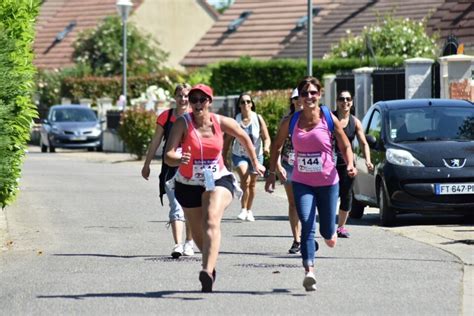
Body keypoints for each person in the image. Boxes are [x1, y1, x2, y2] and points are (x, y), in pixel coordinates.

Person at [164, 84, 265, 292]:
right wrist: (179, 158)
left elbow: (244, 137)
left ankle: (206, 270)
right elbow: (168, 155)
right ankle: (210, 264)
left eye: (202, 99)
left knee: (211, 219)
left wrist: (256, 162)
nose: (198, 104)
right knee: (200, 235)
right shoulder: (182, 123)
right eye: (194, 100)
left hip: (217, 178)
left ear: (210, 101)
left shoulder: (220, 122)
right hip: (188, 183)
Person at [265, 77, 356, 291]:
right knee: (306, 222)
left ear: (319, 94)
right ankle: (309, 270)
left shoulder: (328, 118)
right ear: (299, 97)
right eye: (304, 94)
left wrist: (351, 164)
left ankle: (330, 232)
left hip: (328, 182)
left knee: (325, 232)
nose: (308, 97)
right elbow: (276, 147)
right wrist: (273, 171)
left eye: (313, 93)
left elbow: (344, 144)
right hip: (302, 182)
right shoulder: (291, 121)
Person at [141, 83, 195, 259]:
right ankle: (178, 244)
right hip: (170, 168)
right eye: (180, 95)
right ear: (175, 97)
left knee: (191, 208)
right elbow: (155, 141)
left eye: (186, 95)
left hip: (192, 168)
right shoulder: (166, 116)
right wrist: (147, 164)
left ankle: (189, 242)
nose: (183, 99)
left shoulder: (195, 117)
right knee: (176, 206)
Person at [223, 93, 271, 222]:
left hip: (256, 155)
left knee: (253, 184)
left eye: (248, 102)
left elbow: (266, 138)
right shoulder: (235, 120)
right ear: (239, 105)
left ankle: (249, 210)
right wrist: (223, 157)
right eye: (243, 102)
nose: (246, 105)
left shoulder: (258, 118)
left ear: (251, 104)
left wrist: (266, 147)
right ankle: (243, 209)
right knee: (245, 178)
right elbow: (227, 140)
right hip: (239, 155)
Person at [333, 91, 374, 238]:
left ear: (352, 102)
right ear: (337, 102)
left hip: (347, 163)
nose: (345, 102)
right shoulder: (330, 118)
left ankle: (341, 227)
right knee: (330, 195)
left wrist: (368, 160)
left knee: (346, 195)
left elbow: (363, 142)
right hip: (329, 163)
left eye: (348, 99)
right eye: (342, 99)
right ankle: (328, 224)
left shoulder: (355, 122)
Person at [267, 88, 302, 253]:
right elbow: (277, 146)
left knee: (307, 203)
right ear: (292, 101)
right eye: (296, 98)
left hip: (309, 167)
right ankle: (297, 240)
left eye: (301, 97)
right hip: (289, 164)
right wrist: (277, 166)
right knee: (293, 203)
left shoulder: (314, 120)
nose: (299, 101)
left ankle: (306, 236)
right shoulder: (286, 121)